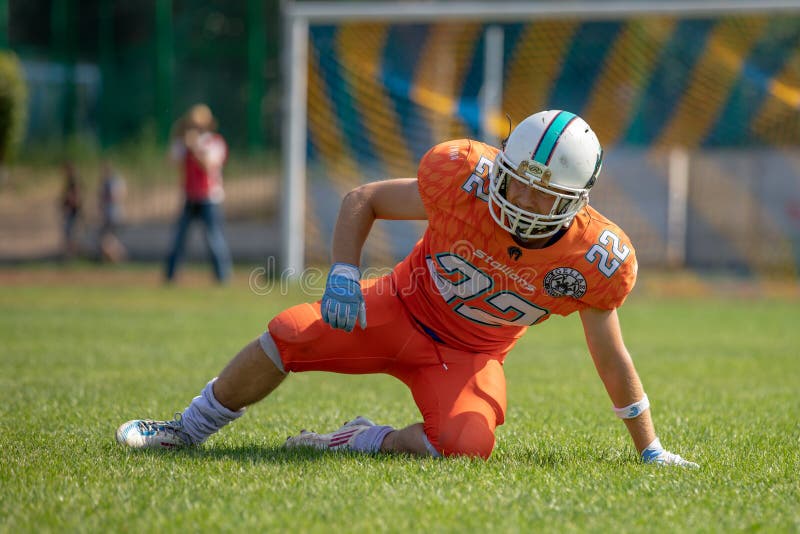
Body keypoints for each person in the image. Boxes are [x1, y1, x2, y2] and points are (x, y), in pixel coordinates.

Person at [117, 110, 697, 467]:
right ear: (500, 169)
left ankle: (361, 440)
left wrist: (648, 448)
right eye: (515, 183)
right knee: (286, 334)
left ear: (577, 200)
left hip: (470, 355)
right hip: (396, 305)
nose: (522, 201)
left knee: (466, 446)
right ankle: (185, 429)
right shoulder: (463, 177)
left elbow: (611, 357)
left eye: (543, 196)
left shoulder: (596, 258)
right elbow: (363, 198)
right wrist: (343, 273)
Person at [164, 104, 232, 283]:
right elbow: (171, 160)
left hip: (210, 197)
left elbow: (209, 165)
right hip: (190, 196)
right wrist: (179, 139)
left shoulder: (215, 142)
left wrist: (194, 148)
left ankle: (222, 276)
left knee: (214, 239)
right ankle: (170, 275)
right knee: (179, 239)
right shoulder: (184, 143)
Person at [97, 160, 127, 263]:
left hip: (113, 214)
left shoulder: (114, 181)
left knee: (107, 239)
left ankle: (119, 256)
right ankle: (116, 258)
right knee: (107, 239)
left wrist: (104, 197)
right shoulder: (106, 181)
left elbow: (116, 196)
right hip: (108, 214)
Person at [60, 161, 82, 259]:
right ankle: (71, 255)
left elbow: (76, 198)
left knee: (71, 234)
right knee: (69, 234)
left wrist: (69, 204)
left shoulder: (73, 181)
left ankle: (73, 255)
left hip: (73, 212)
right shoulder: (70, 181)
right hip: (71, 212)